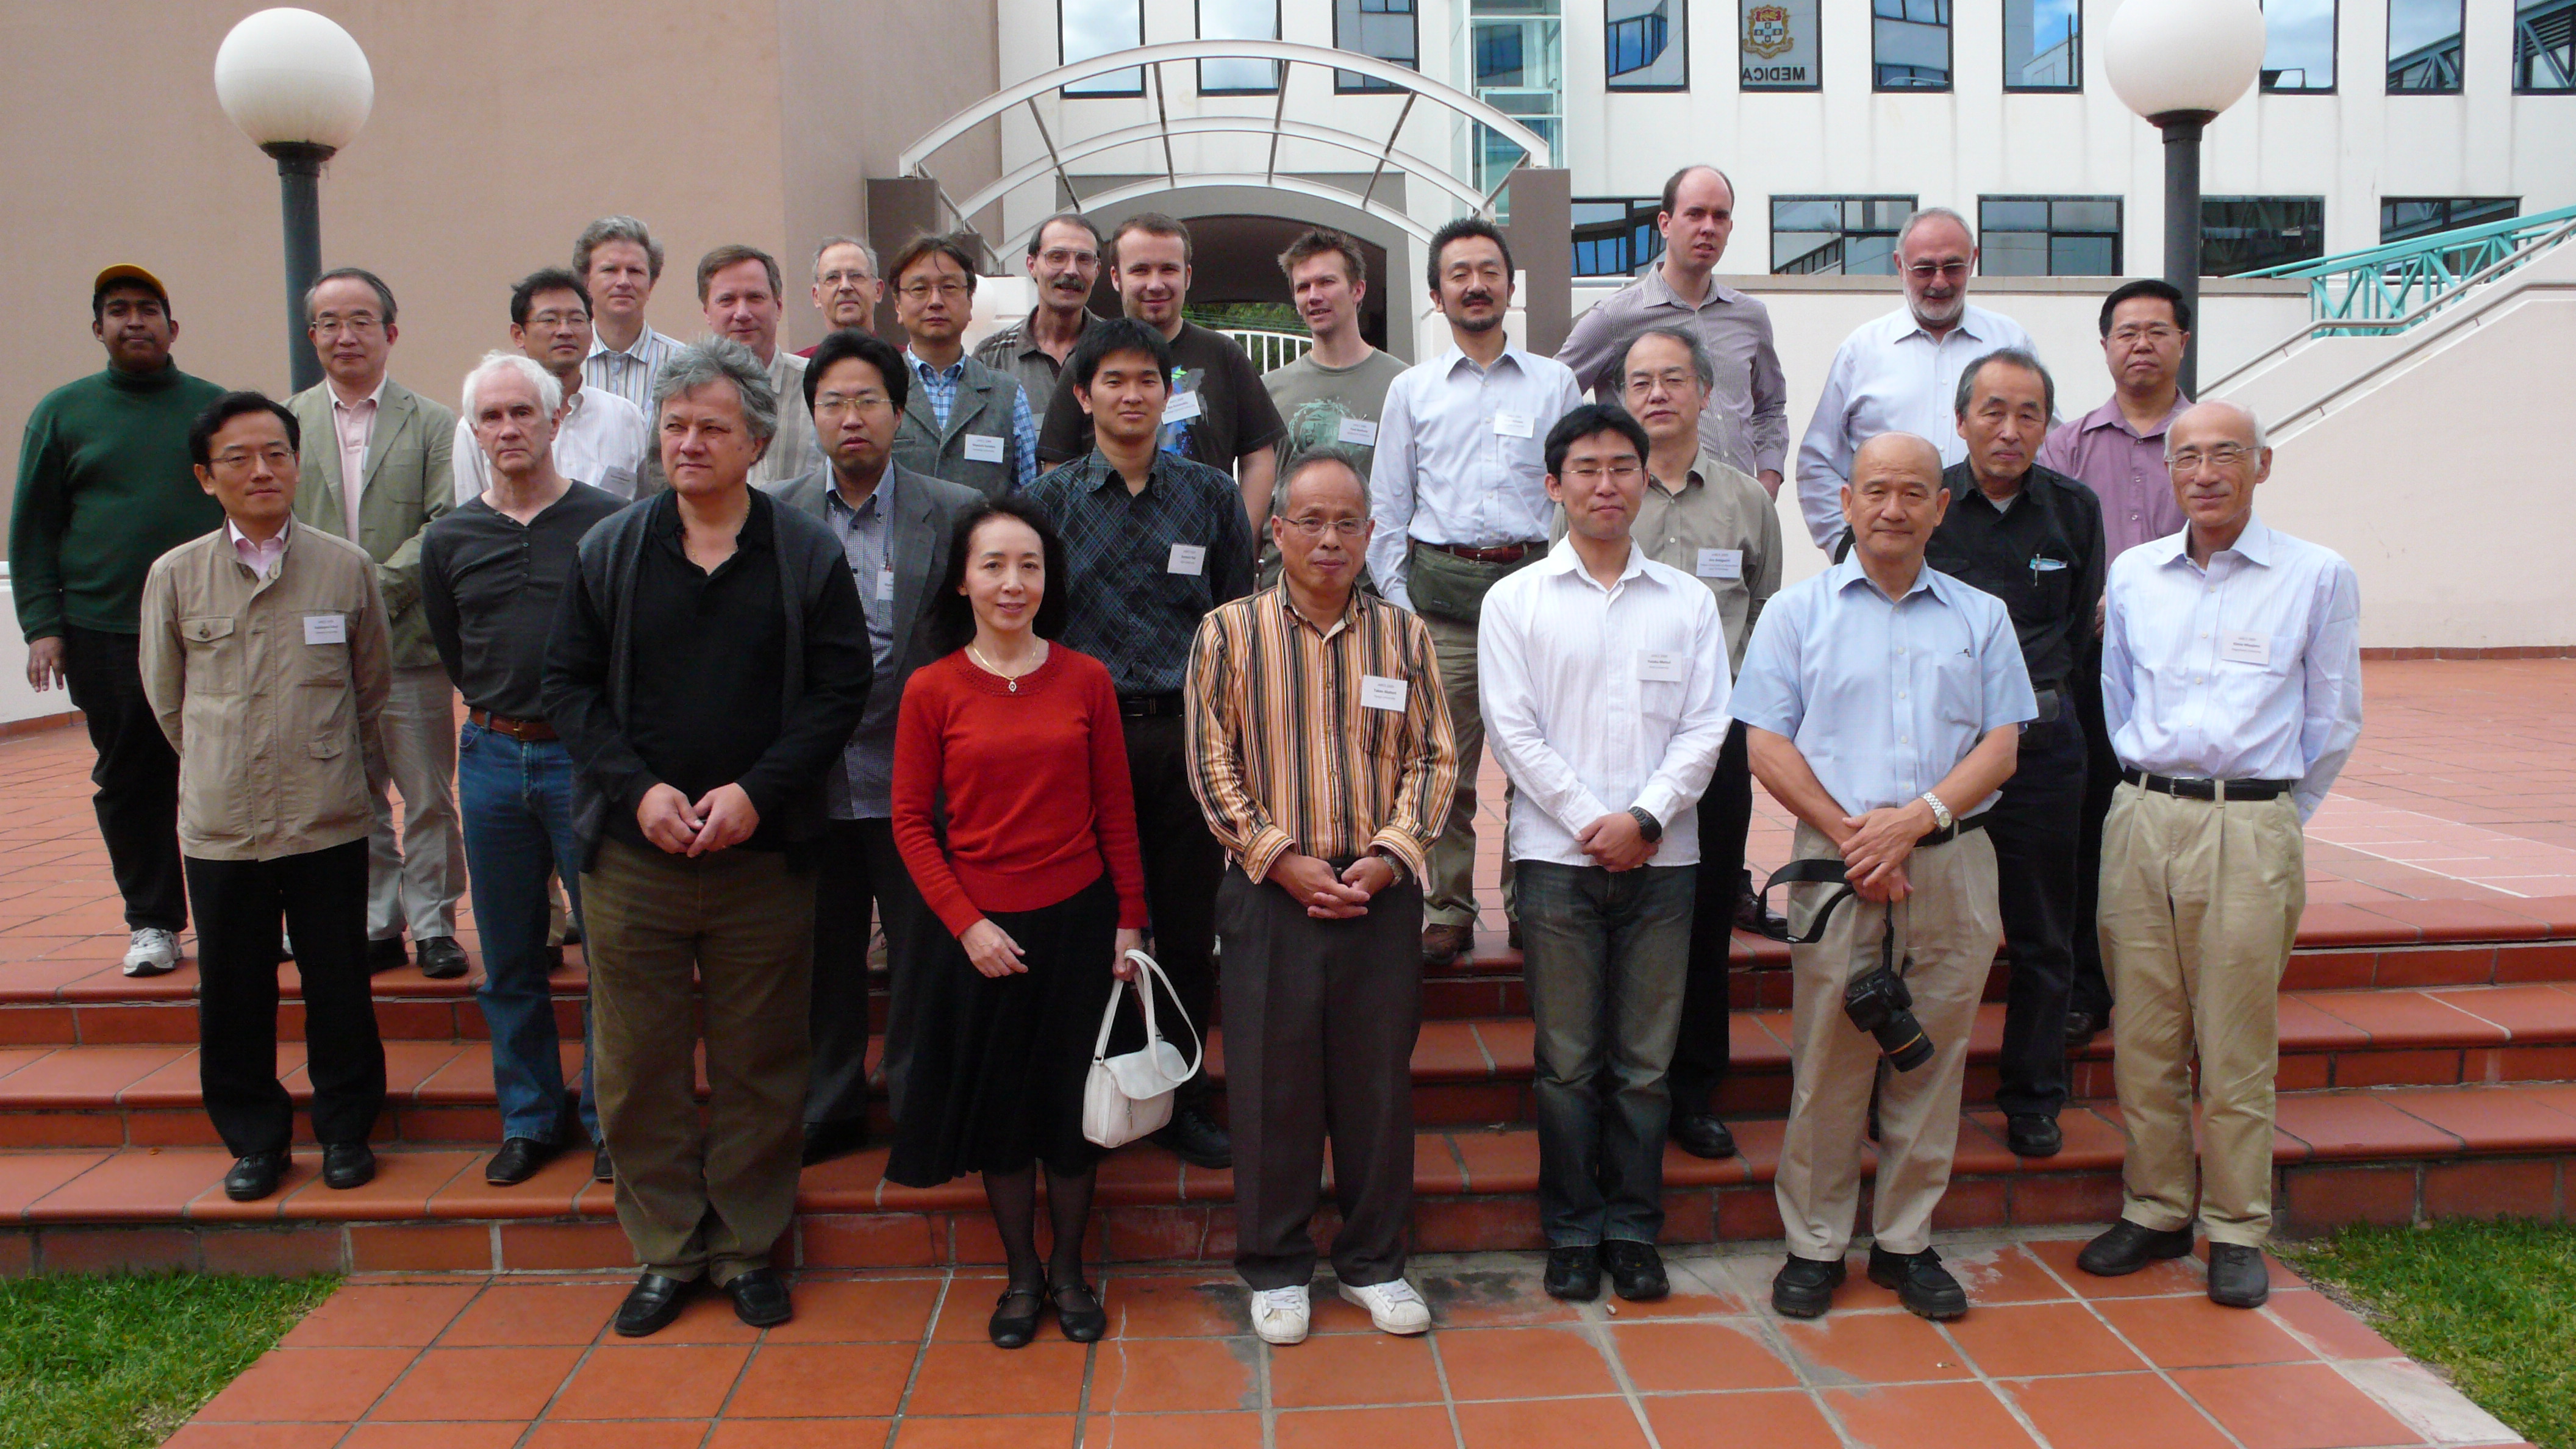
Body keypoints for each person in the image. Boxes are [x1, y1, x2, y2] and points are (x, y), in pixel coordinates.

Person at [542, 338, 873, 1337]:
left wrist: (757, 794)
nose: (688, 443)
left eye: (712, 428)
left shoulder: (804, 552)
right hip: (632, 855)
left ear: (756, 442)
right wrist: (637, 789)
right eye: (675, 425)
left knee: (759, 1063)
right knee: (637, 1065)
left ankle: (744, 1248)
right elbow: (568, 687)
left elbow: (839, 690)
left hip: (762, 855)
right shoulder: (611, 550)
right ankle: (666, 1249)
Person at [1734, 432, 2034, 1322]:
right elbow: (1765, 743)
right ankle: (1815, 1243)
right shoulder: (1795, 614)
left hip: (1952, 862)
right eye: (1875, 491)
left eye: (1912, 493)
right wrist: (1855, 840)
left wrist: (1915, 822)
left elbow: (2002, 747)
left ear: (1940, 508)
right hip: (1839, 870)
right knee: (1828, 1061)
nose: (1892, 509)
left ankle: (1906, 1242)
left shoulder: (1981, 617)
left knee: (1930, 1061)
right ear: (1847, 503)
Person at [2078, 401, 2361, 1311]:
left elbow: (2333, 716)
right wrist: (2151, 786)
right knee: (2144, 1032)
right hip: (2143, 815)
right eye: (2188, 457)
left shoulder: (2316, 575)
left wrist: (2273, 815)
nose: (2205, 474)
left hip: (2249, 824)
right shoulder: (2135, 575)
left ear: (2262, 466)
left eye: (2225, 455)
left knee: (2237, 1039)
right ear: (2170, 472)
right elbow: (2118, 693)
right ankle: (2157, 1207)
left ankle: (2236, 1225)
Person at [1184, 447, 1459, 1347]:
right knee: (1274, 1085)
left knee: (1377, 1084)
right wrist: (1280, 859)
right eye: (1311, 521)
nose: (1329, 540)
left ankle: (1376, 1262)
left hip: (1378, 891)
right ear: (1277, 531)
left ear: (1372, 533)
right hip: (1270, 892)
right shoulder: (1228, 633)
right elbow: (1211, 763)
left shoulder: (1404, 637)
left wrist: (1391, 856)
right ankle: (1275, 1266)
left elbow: (1435, 758)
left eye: (1347, 523)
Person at [1483, 404, 1731, 1304]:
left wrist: (1647, 818)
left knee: (1646, 1064)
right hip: (1557, 862)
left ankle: (1632, 1229)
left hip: (1665, 864)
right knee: (1568, 1061)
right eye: (1586, 469)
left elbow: (1708, 726)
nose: (1606, 484)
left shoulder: (1688, 602)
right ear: (1555, 485)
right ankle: (1572, 1230)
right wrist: (1599, 822)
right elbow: (1513, 732)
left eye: (1623, 467)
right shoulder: (1515, 600)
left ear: (1644, 479)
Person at [886, 499, 1148, 1350]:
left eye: (1029, 565)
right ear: (963, 581)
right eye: (993, 565)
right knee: (1003, 1119)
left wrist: (1130, 922)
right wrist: (966, 924)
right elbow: (910, 823)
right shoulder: (932, 688)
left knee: (1072, 1117)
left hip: (1080, 925)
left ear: (1048, 580)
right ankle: (1022, 1276)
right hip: (982, 938)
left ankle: (1069, 1271)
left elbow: (1116, 811)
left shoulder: (1086, 679)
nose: (1012, 582)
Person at [140, 390, 392, 1202]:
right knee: (234, 989)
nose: (261, 471)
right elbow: (167, 701)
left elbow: (371, 688)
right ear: (205, 477)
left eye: (276, 453)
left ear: (297, 463)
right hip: (224, 823)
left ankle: (347, 1130)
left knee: (339, 981)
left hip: (327, 815)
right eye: (239, 458)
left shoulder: (345, 568)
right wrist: (225, 761)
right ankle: (255, 1140)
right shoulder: (176, 576)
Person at [1018, 318, 1254, 1170]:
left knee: (1186, 928)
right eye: (1112, 380)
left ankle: (1182, 1095)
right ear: (1083, 397)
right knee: (1088, 922)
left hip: (1186, 737)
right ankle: (1089, 1090)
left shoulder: (1212, 497)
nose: (1131, 395)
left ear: (1169, 394)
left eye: (1147, 380)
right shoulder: (1047, 505)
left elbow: (1235, 619)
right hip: (1083, 740)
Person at [1562, 326, 1782, 1162]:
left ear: (1706, 393)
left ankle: (1692, 1090)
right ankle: (1599, 1086)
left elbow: (1763, 611)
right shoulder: (1602, 494)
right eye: (1640, 381)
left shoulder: (1746, 502)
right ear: (1620, 395)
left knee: (1705, 916)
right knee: (1603, 917)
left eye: (1674, 380)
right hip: (1608, 739)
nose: (1657, 394)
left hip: (1712, 746)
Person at [765, 327, 983, 1166]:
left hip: (917, 779)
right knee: (825, 957)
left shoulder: (954, 510)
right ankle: (830, 1106)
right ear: (812, 414)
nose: (851, 418)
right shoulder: (774, 513)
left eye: (868, 401)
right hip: (814, 777)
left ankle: (921, 1105)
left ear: (899, 413)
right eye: (833, 403)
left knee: (925, 953)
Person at [423, 353, 629, 1187]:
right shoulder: (449, 538)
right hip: (492, 757)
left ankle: (612, 1120)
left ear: (554, 420)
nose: (508, 429)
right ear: (474, 431)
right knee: (510, 956)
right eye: (491, 416)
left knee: (610, 951)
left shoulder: (608, 523)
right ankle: (531, 1119)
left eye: (522, 413)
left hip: (586, 759)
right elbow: (454, 648)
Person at [1366, 216, 1587, 967]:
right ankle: (1449, 909)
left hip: (1534, 597)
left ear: (1510, 286)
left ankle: (1531, 905)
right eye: (1458, 274)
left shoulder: (1556, 383)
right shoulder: (1412, 390)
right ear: (1437, 295)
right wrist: (1403, 610)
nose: (1475, 285)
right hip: (1443, 606)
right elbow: (1389, 506)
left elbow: (1573, 495)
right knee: (1445, 765)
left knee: (1538, 763)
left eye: (1489, 271)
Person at [9, 264, 225, 978]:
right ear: (98, 328)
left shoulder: (214, 410)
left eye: (148, 309)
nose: (135, 321)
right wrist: (42, 624)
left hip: (212, 626)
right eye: (119, 310)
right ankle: (154, 922)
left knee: (231, 773)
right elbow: (34, 528)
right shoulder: (63, 413)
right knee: (133, 779)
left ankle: (246, 916)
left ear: (173, 327)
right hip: (104, 630)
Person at [1916, 350, 2105, 1161]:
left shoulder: (2074, 510)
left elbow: (2078, 632)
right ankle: (1911, 1090)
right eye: (1993, 410)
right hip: (1939, 752)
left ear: (2047, 426)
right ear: (1961, 420)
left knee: (2042, 932)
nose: (2010, 429)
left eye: (2029, 413)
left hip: (2042, 747)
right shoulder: (1927, 503)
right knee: (1923, 932)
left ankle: (2033, 1095)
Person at [287, 267, 466, 980]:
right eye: (329, 322)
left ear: (390, 332)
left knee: (428, 795)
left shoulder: (433, 423)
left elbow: (445, 523)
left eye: (361, 320)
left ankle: (436, 924)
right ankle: (377, 921)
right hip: (319, 645)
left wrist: (372, 590)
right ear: (312, 336)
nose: (346, 335)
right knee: (352, 793)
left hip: (410, 640)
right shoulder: (287, 423)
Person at [2038, 277, 2197, 1052]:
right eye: (2126, 332)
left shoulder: (2204, 440)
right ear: (2104, 346)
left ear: (2181, 343)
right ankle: (2086, 985)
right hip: (2090, 660)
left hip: (2185, 662)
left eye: (2156, 331)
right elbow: (2049, 545)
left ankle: (2172, 980)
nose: (2141, 345)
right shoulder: (2068, 444)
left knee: (2172, 821)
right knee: (2090, 820)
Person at [1794, 208, 2039, 551]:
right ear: (1900, 265)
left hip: (1993, 552)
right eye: (1924, 269)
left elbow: (2045, 448)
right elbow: (1818, 462)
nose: (1939, 282)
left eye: (1953, 267)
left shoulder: (2010, 342)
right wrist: (1844, 546)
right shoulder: (1862, 350)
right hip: (1888, 556)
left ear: (1973, 261)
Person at [1035, 213, 1286, 528]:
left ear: (1187, 276)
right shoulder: (1086, 360)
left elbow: (1259, 458)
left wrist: (1240, 540)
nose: (1155, 284)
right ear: (1116, 277)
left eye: (1168, 269)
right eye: (1140, 270)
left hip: (1204, 550)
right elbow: (1056, 465)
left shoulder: (1224, 356)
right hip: (1105, 549)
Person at [1555, 165, 1789, 494]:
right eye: (1695, 214)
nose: (1708, 227)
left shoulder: (1750, 317)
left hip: (1735, 509)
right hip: (1649, 508)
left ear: (1730, 227)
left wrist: (1769, 479)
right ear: (1665, 224)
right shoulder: (1614, 318)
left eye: (1720, 217)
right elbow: (1550, 397)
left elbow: (1770, 407)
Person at [1258, 227, 1408, 584]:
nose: (1314, 296)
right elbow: (1259, 491)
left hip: (1373, 584)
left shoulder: (1403, 385)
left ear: (1358, 290)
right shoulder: (1268, 389)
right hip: (1283, 584)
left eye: (1326, 282)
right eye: (1303, 287)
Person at [450, 269, 651, 503]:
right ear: (518, 334)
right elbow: (472, 513)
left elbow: (642, 508)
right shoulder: (483, 425)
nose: (565, 331)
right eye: (549, 320)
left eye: (576, 320)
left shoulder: (625, 417)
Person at [887, 232, 1040, 496]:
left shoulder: (1007, 394)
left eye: (949, 287)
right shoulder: (881, 388)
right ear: (898, 305)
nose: (935, 301)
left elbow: (1028, 496)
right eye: (920, 289)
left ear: (970, 301)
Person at [698, 245, 823, 489]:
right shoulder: (687, 394)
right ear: (707, 313)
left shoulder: (818, 386)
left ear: (779, 306)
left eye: (755, 298)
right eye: (727, 300)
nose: (742, 313)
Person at [974, 212, 1107, 421]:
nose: (1071, 270)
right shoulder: (992, 357)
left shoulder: (1120, 348)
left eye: (1084, 259)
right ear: (1032, 266)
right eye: (1057, 257)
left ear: (1097, 270)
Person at [577, 215, 687, 418]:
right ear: (586, 282)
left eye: (635, 271)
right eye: (610, 270)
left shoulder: (684, 364)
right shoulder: (566, 362)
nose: (623, 282)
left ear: (651, 284)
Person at [798, 236, 882, 354]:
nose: (845, 286)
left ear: (878, 290)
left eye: (856, 276)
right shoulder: (803, 364)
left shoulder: (900, 363)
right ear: (816, 296)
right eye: (833, 277)